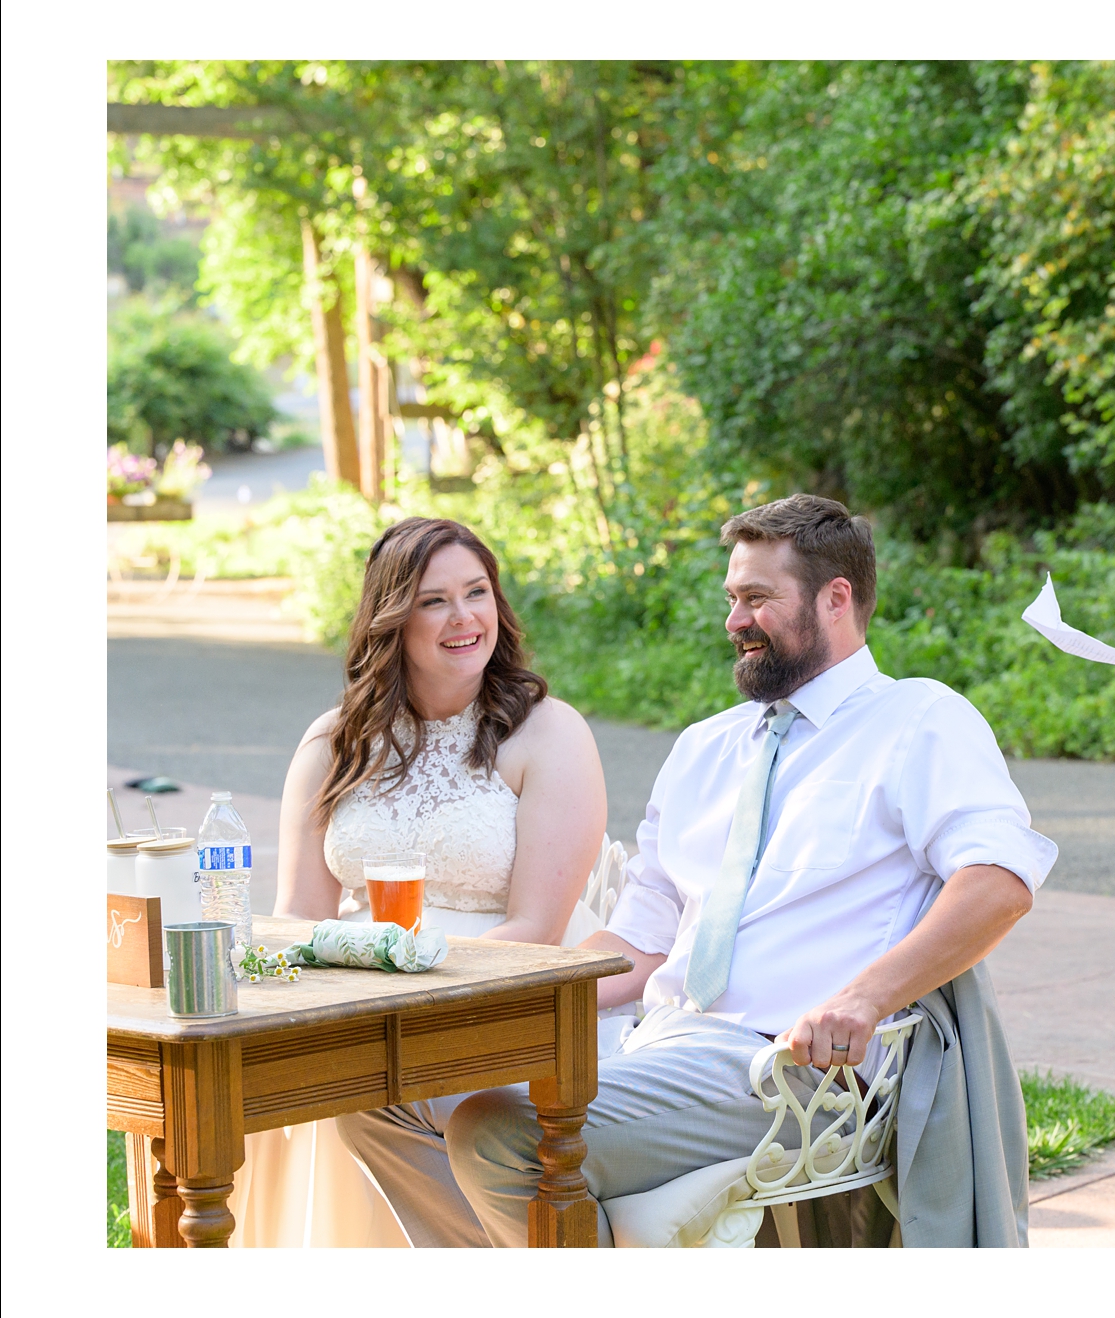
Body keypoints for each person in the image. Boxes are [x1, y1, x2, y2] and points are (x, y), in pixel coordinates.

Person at [345, 493, 1056, 1247]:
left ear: (836, 599)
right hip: (654, 1042)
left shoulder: (919, 721)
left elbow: (999, 881)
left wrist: (864, 997)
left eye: (757, 599)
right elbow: (638, 947)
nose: (734, 620)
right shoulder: (706, 748)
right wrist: (492, 1004)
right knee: (385, 1092)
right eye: (731, 598)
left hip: (785, 1068)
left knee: (501, 1130)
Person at [233, 516, 608, 1247]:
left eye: (478, 592)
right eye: (435, 601)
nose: (466, 617)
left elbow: (537, 928)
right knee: (266, 1091)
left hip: (509, 1003)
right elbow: (298, 917)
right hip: (356, 999)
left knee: (375, 1092)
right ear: (392, 620)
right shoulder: (332, 743)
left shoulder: (546, 732)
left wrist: (407, 1002)